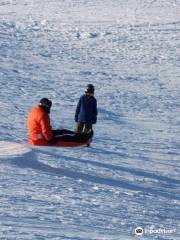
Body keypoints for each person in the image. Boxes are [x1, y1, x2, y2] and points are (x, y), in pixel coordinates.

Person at [27, 98, 92, 146]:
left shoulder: (34, 111)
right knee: (66, 136)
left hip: (36, 136)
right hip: (42, 139)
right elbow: (46, 131)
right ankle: (85, 138)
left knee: (62, 131)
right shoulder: (43, 114)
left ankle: (81, 135)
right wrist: (51, 139)